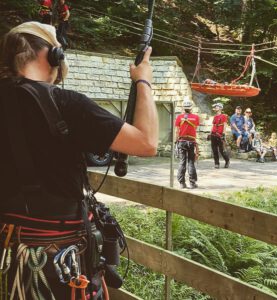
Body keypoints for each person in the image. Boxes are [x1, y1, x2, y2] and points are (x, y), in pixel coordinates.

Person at [0, 21, 158, 298]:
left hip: (7, 251)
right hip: (57, 258)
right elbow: (146, 143)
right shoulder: (65, 104)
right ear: (53, 56)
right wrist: (143, 81)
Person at [175, 97, 200, 189]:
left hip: (182, 141)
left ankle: (182, 183)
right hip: (191, 142)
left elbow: (177, 130)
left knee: (182, 162)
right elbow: (195, 128)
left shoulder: (179, 117)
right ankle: (192, 183)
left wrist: (176, 141)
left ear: (183, 108)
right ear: (191, 107)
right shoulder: (196, 117)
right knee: (191, 162)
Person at [210, 102, 230, 169]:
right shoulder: (215, 117)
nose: (216, 108)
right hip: (213, 134)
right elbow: (213, 125)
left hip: (220, 134)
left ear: (220, 108)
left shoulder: (223, 116)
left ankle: (227, 161)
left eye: (217, 106)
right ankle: (217, 164)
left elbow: (224, 125)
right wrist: (210, 133)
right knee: (214, 150)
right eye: (215, 107)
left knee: (222, 150)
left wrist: (224, 133)